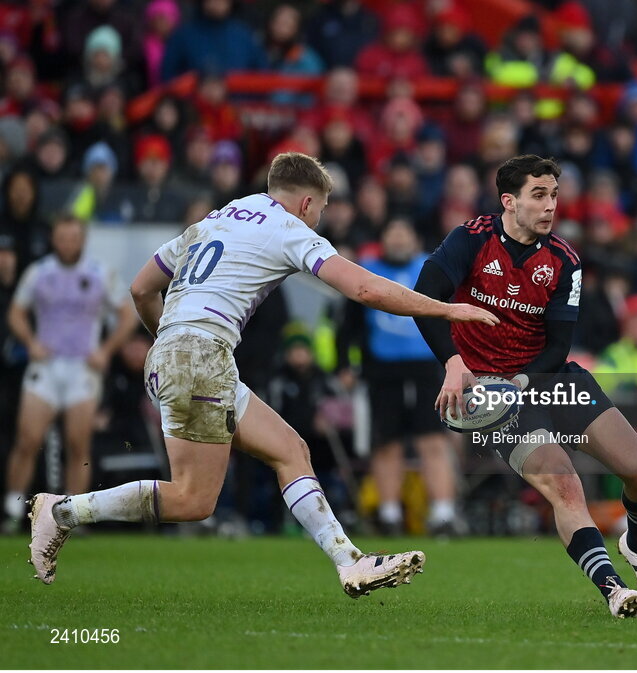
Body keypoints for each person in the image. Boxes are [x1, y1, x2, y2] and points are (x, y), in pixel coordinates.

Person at [27, 153, 498, 597]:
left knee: (291, 450)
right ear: (307, 202)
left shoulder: (217, 217)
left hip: (186, 351)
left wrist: (169, 343)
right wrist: (447, 309)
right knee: (193, 500)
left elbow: (141, 287)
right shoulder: (288, 227)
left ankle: (348, 561)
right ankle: (63, 510)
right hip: (200, 356)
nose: (317, 221)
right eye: (321, 210)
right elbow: (362, 288)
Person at [413, 155, 637, 619]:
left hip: (545, 378)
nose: (551, 205)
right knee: (565, 485)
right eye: (539, 195)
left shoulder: (565, 261)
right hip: (488, 395)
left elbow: (558, 345)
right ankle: (614, 589)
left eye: (554, 194)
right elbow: (424, 301)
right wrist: (454, 364)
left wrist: (521, 383)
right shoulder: (471, 239)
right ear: (509, 202)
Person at [4, 214, 137, 532]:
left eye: (73, 237)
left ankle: (73, 515)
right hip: (46, 366)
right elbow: (16, 313)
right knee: (27, 439)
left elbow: (127, 314)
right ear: (54, 239)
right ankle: (11, 508)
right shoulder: (39, 273)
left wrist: (105, 350)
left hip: (82, 369)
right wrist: (30, 342)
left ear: (82, 239)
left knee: (78, 443)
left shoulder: (99, 273)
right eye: (62, 237)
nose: (67, 244)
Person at [336, 217, 459, 536]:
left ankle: (443, 515)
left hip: (429, 370)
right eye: (393, 233)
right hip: (381, 370)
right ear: (383, 240)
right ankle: (388, 515)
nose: (399, 240)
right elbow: (346, 323)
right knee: (385, 443)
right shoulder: (366, 271)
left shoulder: (431, 269)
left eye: (405, 234)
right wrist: (343, 365)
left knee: (432, 441)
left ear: (415, 241)